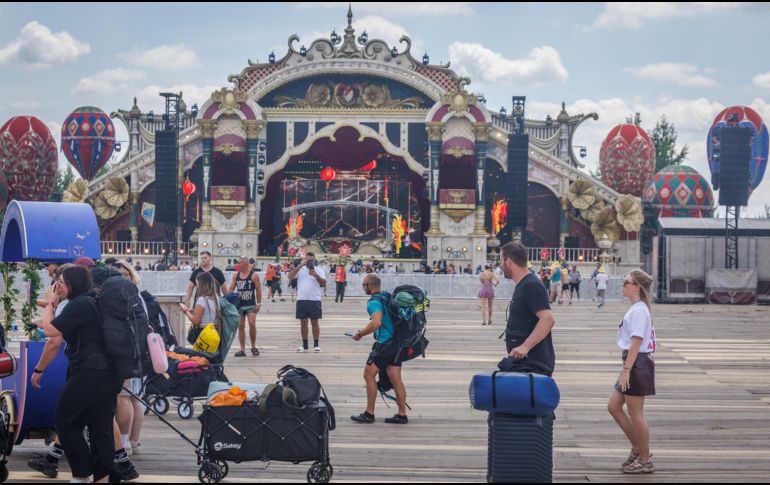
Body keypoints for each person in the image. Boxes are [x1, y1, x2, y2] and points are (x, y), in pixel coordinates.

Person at [36, 266, 124, 483]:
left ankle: (81, 474)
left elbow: (50, 331)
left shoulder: (80, 304)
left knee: (65, 421)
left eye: (62, 283)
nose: (58, 287)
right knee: (99, 425)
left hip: (90, 371)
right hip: (109, 373)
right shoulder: (93, 300)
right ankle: (103, 477)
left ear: (72, 285)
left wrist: (50, 303)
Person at [608, 270, 657, 474]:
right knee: (614, 406)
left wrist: (627, 370)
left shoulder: (639, 311)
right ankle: (637, 447)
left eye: (626, 282)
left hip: (636, 363)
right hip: (632, 361)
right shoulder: (637, 308)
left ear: (636, 287)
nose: (623, 285)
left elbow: (636, 342)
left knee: (635, 413)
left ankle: (645, 459)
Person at [350, 274, 409, 425]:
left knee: (368, 375)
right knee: (396, 379)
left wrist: (360, 334)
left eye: (364, 285)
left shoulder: (374, 302)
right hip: (398, 343)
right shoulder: (387, 296)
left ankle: (369, 413)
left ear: (370, 285)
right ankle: (402, 415)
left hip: (385, 344)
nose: (363, 287)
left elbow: (376, 322)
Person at [500, 242, 556, 375]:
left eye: (501, 260)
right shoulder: (524, 284)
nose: (500, 264)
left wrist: (525, 346)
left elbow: (548, 319)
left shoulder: (530, 285)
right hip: (523, 363)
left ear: (508, 261)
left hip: (532, 365)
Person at [111, 261, 147, 457]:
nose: (122, 278)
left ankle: (124, 442)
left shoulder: (124, 298)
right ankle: (132, 440)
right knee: (134, 397)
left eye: (125, 274)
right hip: (137, 353)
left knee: (123, 397)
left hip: (127, 353)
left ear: (131, 276)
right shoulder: (137, 297)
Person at [288, 252, 326, 353]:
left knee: (315, 322)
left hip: (315, 299)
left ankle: (316, 345)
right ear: (304, 260)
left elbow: (324, 283)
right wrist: (300, 265)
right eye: (307, 260)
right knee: (303, 323)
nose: (309, 262)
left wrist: (316, 276)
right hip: (302, 299)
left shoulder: (319, 270)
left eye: (311, 260)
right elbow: (290, 276)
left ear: (314, 260)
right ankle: (305, 346)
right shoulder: (301, 270)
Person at [228, 256, 262, 357]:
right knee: (240, 326)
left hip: (250, 303)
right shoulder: (236, 275)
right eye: (238, 263)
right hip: (240, 304)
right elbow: (231, 288)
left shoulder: (254, 275)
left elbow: (258, 289)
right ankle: (242, 349)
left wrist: (259, 303)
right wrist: (228, 300)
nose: (238, 265)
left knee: (252, 324)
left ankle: (253, 346)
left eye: (240, 263)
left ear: (246, 264)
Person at [180, 272, 221, 345]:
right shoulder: (216, 298)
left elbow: (196, 321)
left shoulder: (202, 300)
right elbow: (208, 314)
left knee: (201, 356)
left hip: (203, 334)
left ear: (202, 284)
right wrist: (193, 311)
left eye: (197, 283)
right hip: (215, 333)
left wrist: (185, 311)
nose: (196, 286)